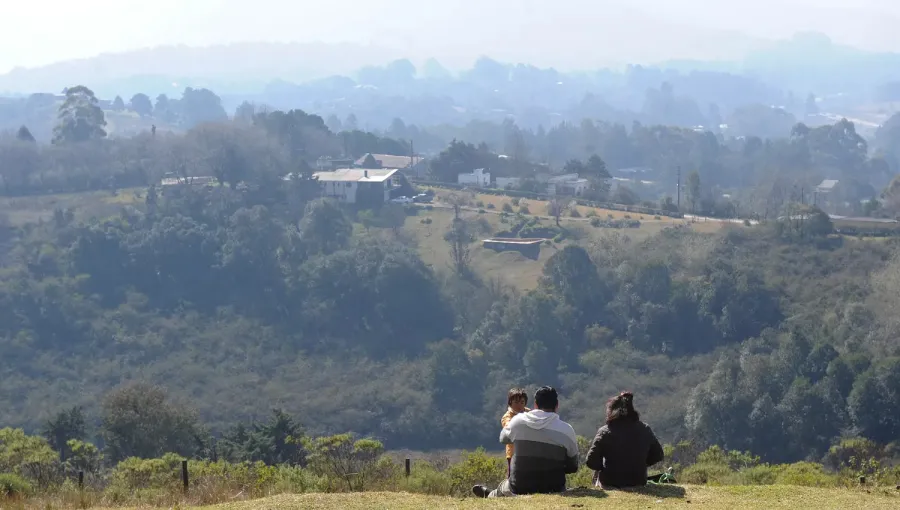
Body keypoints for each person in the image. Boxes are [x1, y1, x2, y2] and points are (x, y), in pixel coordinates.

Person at [473, 386, 579, 498]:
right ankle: (490, 494)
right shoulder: (567, 430)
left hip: (519, 487)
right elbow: (573, 467)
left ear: (535, 405)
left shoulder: (519, 421)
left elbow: (503, 439)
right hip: (555, 487)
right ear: (557, 406)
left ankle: (489, 495)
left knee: (504, 487)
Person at [584, 391, 664, 489]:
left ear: (612, 412)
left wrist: (602, 468)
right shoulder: (645, 429)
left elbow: (591, 461)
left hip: (610, 482)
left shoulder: (604, 432)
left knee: (599, 470)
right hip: (638, 481)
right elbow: (658, 455)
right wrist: (641, 462)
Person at [501, 388, 530, 477]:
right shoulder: (507, 416)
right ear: (510, 402)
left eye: (522, 402)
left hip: (528, 451)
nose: (519, 405)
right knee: (512, 476)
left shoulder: (529, 412)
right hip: (513, 453)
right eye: (516, 402)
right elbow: (509, 427)